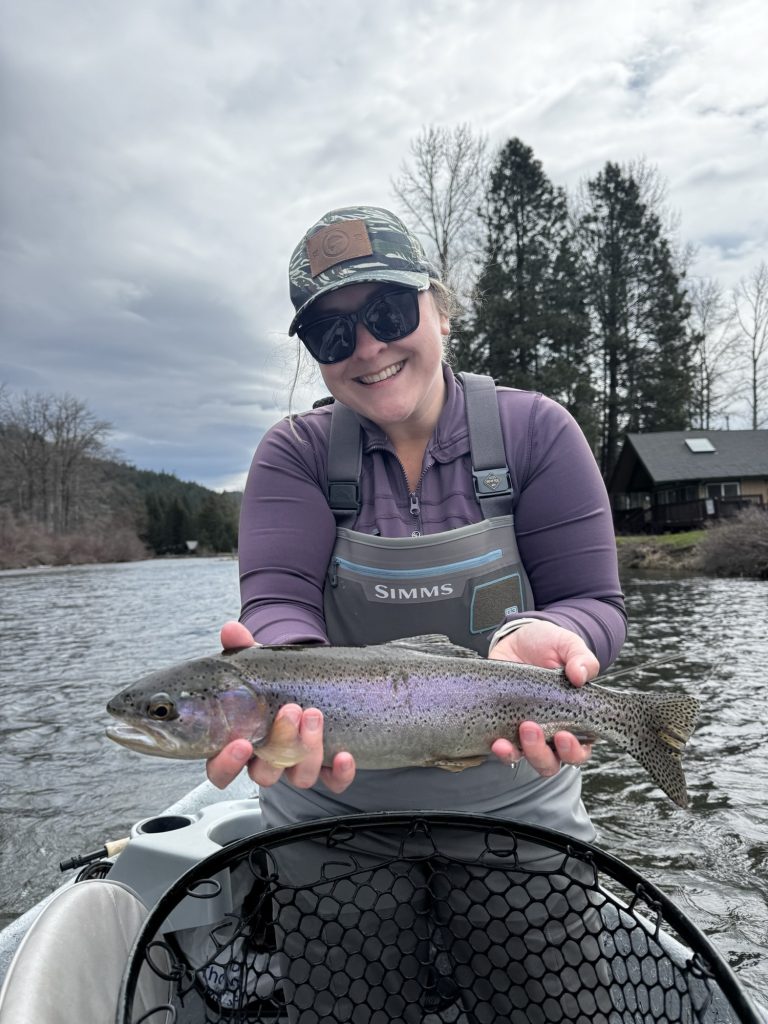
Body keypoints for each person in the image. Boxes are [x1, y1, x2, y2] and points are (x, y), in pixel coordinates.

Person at [205, 205, 626, 1018]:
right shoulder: (293, 454)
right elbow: (281, 605)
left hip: (517, 793)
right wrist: (283, 698)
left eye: (388, 313)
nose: (366, 347)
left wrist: (561, 635)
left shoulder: (538, 431)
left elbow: (594, 600)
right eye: (332, 337)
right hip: (326, 812)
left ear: (439, 305)